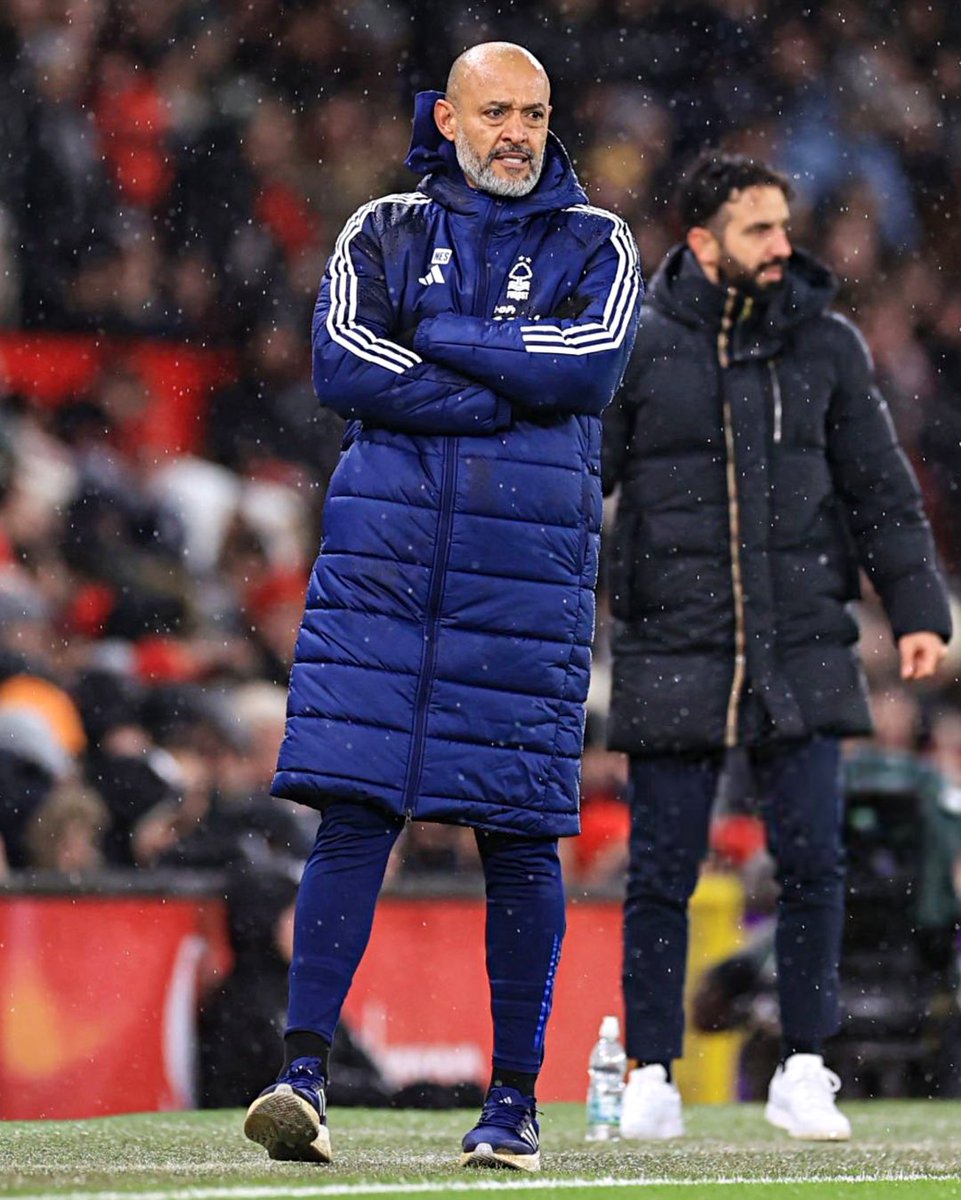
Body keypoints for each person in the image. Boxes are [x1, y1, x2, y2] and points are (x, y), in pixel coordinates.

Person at [242, 41, 641, 1171]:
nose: (518, 132)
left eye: (535, 112)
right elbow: (341, 365)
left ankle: (511, 1105)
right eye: (496, 112)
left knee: (519, 837)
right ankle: (303, 1079)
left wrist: (448, 346)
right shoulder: (383, 228)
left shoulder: (595, 240)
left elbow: (589, 368)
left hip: (522, 586)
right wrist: (499, 388)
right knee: (354, 815)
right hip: (386, 576)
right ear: (450, 121)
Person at [603, 152, 951, 1142]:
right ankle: (650, 1074)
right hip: (675, 638)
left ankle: (805, 1067)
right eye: (758, 229)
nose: (780, 246)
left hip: (800, 637)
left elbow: (880, 490)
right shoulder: (634, 348)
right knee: (661, 870)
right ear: (702, 240)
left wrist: (919, 608)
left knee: (813, 863)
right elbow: (578, 481)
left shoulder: (827, 345)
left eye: (782, 225)